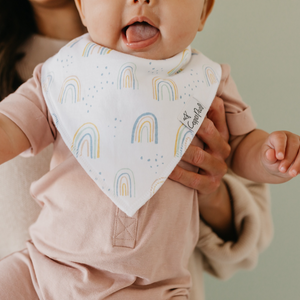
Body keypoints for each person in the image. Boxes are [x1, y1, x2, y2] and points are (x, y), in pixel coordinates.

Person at [0, 0, 274, 299]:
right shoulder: (60, 74)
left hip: (148, 288)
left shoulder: (200, 80)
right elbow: (9, 128)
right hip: (44, 271)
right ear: (83, 8)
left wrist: (267, 155)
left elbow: (246, 146)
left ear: (204, 11)